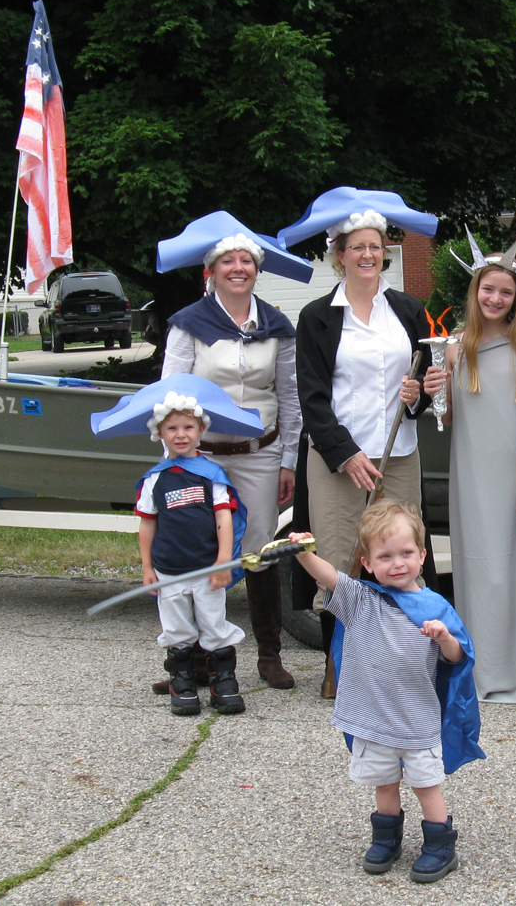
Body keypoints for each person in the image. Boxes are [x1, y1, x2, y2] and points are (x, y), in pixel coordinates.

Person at [281, 190, 437, 695]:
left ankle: (397, 664)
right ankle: (338, 666)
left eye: (375, 246)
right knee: (343, 558)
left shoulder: (409, 311)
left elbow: (420, 388)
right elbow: (312, 397)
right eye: (356, 248)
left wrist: (418, 396)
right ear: (338, 254)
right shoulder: (317, 318)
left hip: (398, 455)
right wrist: (346, 454)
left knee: (398, 556)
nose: (368, 255)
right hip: (336, 460)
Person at [289, 500, 483, 883]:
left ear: (422, 555)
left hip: (417, 720)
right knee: (384, 784)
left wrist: (444, 638)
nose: (397, 563)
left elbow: (458, 658)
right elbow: (329, 576)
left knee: (428, 786)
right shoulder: (361, 601)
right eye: (386, 555)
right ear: (367, 562)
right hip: (374, 720)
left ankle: (440, 845)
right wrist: (305, 553)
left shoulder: (434, 606)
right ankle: (386, 838)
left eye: (407, 553)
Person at [160, 229, 301, 690]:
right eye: (228, 261)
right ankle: (199, 660)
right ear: (211, 271)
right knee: (200, 551)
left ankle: (268, 654)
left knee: (258, 550)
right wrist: (173, 464)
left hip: (261, 454)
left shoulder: (277, 326)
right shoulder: (188, 323)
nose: (238, 268)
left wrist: (290, 459)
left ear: (257, 270)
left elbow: (290, 395)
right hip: (202, 455)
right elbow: (169, 397)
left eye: (247, 261)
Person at [431, 233, 516, 704]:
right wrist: (437, 388)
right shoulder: (455, 348)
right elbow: (445, 419)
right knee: (481, 571)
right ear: (475, 291)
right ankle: (483, 671)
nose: (496, 299)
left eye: (505, 292)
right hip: (474, 476)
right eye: (488, 290)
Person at [136, 392, 246, 716]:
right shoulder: (154, 479)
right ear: (159, 434)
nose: (180, 435)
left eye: (188, 427)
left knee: (214, 624)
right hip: (169, 569)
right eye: (172, 428)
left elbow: (224, 519)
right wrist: (147, 567)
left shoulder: (211, 475)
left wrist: (223, 562)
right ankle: (181, 680)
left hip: (207, 569)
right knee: (177, 627)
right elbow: (146, 526)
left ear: (200, 430)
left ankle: (223, 680)